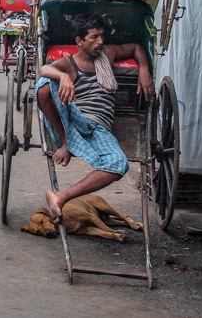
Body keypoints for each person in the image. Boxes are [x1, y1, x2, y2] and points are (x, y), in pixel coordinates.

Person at [36, 13, 154, 224]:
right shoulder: (69, 64)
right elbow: (44, 69)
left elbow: (136, 47)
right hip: (73, 120)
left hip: (98, 127)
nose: (100, 42)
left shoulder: (107, 54)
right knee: (44, 85)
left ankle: (61, 197)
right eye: (93, 37)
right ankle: (66, 142)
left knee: (119, 164)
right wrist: (63, 76)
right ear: (79, 41)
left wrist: (144, 67)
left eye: (101, 36)